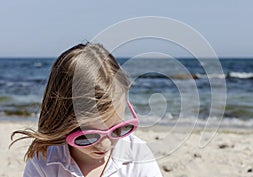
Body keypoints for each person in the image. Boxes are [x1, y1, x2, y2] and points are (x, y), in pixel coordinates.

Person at [10, 43, 162, 177]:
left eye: (118, 129)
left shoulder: (137, 155)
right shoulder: (44, 161)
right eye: (88, 136)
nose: (105, 145)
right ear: (61, 122)